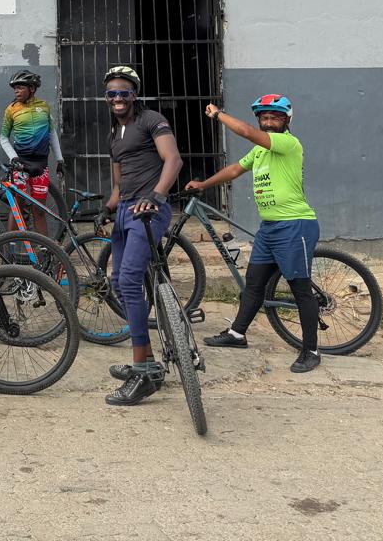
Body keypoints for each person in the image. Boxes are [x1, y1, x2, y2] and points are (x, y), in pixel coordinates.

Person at [189, 95, 323, 373]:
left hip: (294, 225)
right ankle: (237, 333)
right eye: (264, 118)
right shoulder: (260, 152)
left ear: (287, 120)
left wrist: (218, 115)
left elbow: (247, 132)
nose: (269, 122)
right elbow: (234, 170)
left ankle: (311, 350)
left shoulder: (288, 143)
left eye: (275, 117)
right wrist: (204, 184)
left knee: (300, 289)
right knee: (253, 283)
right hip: (269, 228)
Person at [99, 64, 184, 407]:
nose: (117, 98)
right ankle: (147, 360)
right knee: (119, 283)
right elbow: (118, 183)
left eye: (124, 92)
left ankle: (142, 371)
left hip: (147, 210)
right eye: (111, 93)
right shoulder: (113, 135)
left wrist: (157, 196)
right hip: (124, 211)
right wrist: (106, 209)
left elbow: (173, 160)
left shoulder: (151, 120)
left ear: (134, 94)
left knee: (131, 280)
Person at [0, 70, 65, 236]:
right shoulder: (11, 110)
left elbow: (51, 133)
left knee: (39, 209)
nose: (16, 91)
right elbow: (3, 138)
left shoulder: (44, 106)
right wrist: (13, 158)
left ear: (32, 89)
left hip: (40, 165)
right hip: (20, 164)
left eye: (20, 87)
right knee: (17, 208)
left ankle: (44, 249)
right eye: (15, 88)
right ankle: (9, 247)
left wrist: (59, 159)